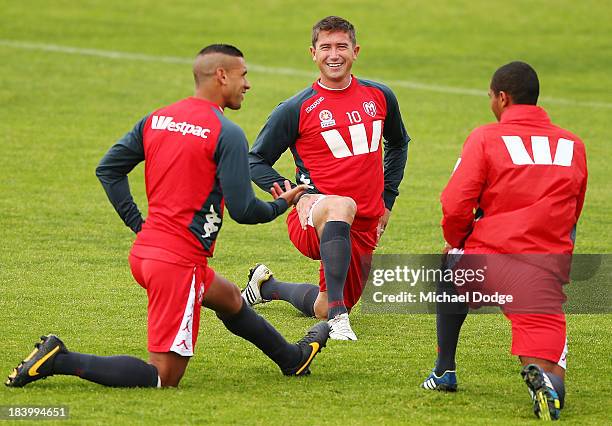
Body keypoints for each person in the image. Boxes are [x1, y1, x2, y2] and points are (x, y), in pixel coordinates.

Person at [6, 44, 329, 389]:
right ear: (222, 75)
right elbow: (245, 211)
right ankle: (59, 359)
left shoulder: (157, 118)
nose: (247, 84)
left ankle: (291, 359)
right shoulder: (227, 133)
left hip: (147, 253)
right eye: (243, 75)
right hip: (177, 263)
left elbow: (108, 170)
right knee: (163, 376)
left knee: (231, 299)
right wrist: (285, 202)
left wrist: (138, 225)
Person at [420, 61, 587, 421]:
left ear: (503, 97)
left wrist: (457, 241)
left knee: (449, 267)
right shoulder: (573, 145)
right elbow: (574, 211)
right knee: (552, 370)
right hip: (543, 273)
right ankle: (545, 383)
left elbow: (455, 203)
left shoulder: (486, 137)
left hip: (490, 263)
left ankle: (444, 370)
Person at [242, 16, 410, 340]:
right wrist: (297, 195)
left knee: (321, 302)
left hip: (364, 222)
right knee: (341, 205)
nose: (334, 55)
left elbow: (399, 142)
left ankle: (267, 286)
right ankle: (337, 319)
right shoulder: (296, 107)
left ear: (355, 51)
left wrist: (387, 201)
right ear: (313, 53)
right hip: (312, 217)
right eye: (326, 47)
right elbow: (254, 159)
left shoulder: (381, 96)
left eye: (341, 46)